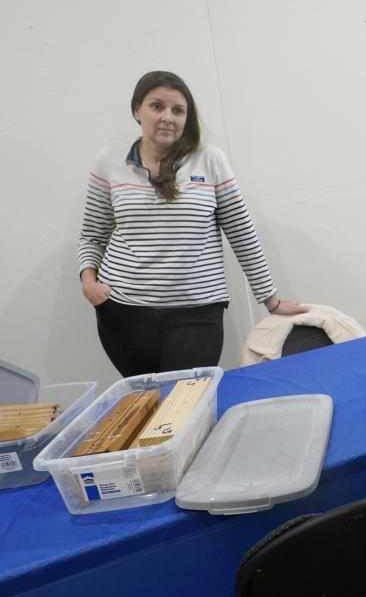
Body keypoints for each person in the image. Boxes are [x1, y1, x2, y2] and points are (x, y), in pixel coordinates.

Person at [78, 70, 306, 377]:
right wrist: (88, 281)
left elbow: (242, 234)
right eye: (156, 106)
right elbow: (93, 234)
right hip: (122, 312)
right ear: (137, 110)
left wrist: (272, 300)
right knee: (146, 407)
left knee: (185, 407)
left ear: (187, 117)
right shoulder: (108, 162)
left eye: (178, 110)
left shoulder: (210, 160)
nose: (167, 117)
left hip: (198, 313)